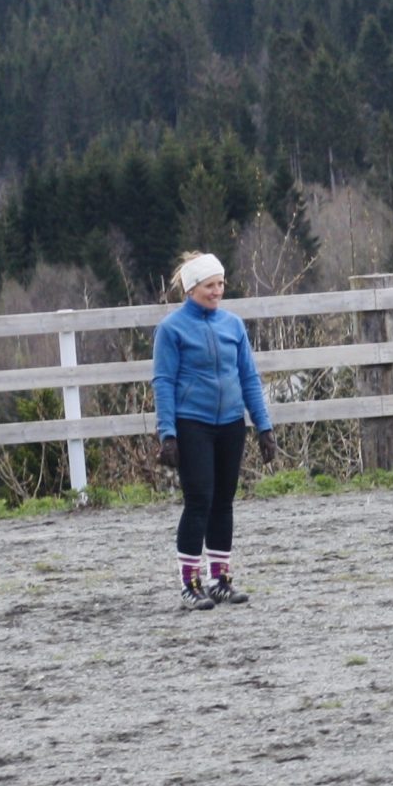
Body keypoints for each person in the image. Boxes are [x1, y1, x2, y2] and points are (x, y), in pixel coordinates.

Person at [151, 253, 276, 611]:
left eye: (221, 284)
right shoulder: (172, 330)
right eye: (210, 285)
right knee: (199, 501)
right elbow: (163, 382)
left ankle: (219, 579)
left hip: (231, 423)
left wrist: (263, 425)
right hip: (194, 423)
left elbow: (249, 376)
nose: (217, 291)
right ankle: (190, 583)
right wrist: (168, 434)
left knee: (224, 500)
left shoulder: (233, 325)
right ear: (192, 289)